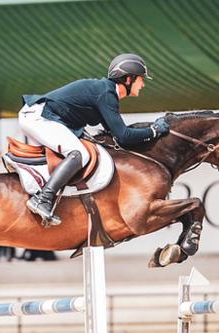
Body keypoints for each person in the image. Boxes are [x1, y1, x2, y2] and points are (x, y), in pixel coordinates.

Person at [18, 53, 170, 226]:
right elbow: (124, 136)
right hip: (39, 117)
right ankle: (43, 199)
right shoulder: (106, 93)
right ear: (128, 79)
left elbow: (116, 136)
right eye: (141, 79)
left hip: (43, 116)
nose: (143, 84)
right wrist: (154, 130)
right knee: (79, 153)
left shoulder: (105, 92)